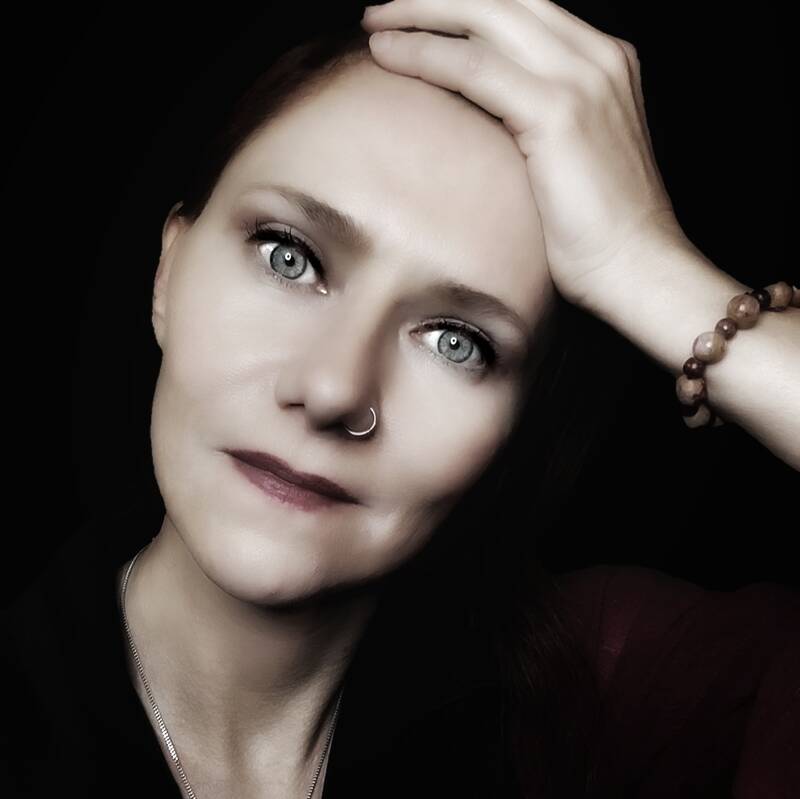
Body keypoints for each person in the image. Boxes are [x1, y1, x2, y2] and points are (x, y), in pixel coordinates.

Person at [2, 9, 798, 799]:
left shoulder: (607, 696)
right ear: (167, 274)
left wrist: (646, 262)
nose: (334, 389)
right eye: (289, 256)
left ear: (517, 422)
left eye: (456, 341)